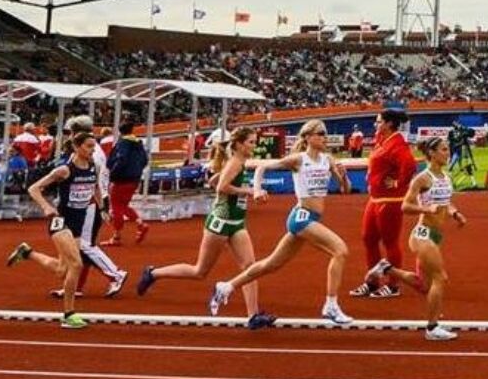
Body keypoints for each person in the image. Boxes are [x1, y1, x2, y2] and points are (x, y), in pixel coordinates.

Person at [207, 120, 354, 325]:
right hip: (301, 217)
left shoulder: (328, 160)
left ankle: (226, 287)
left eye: (325, 134)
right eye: (320, 133)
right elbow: (261, 168)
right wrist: (257, 189)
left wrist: (343, 177)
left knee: (271, 264)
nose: (324, 137)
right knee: (340, 250)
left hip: (311, 218)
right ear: (307, 137)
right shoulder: (298, 159)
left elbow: (345, 190)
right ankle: (331, 305)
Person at [137, 128, 275, 330]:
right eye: (251, 142)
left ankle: (253, 315)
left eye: (255, 142)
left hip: (236, 221)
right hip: (220, 221)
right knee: (200, 271)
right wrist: (250, 191)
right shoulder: (235, 162)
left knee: (250, 268)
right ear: (239, 144)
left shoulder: (237, 162)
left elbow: (213, 182)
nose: (254, 146)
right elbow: (220, 188)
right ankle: (153, 273)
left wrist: (227, 180)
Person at [365, 136, 469, 340]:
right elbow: (405, 206)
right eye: (443, 150)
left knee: (423, 285)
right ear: (431, 154)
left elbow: (446, 203)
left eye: (447, 150)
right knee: (441, 278)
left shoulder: (446, 178)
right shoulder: (423, 178)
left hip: (436, 235)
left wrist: (456, 214)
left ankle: (386, 268)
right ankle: (432, 328)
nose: (447, 153)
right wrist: (425, 208)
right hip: (423, 234)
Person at [7, 130, 104, 329]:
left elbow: (96, 189)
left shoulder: (94, 166)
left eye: (94, 146)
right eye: (88, 146)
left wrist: (103, 209)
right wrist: (46, 206)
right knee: (77, 265)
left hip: (78, 222)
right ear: (77, 147)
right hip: (60, 221)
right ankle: (68, 314)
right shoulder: (65, 170)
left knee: (62, 270)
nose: (92, 150)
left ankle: (27, 252)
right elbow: (33, 188)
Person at [59, 116, 128, 298]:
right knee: (76, 246)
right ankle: (74, 285)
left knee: (84, 245)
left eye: (70, 133)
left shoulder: (90, 151)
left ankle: (116, 274)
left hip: (88, 204)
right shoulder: (90, 148)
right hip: (87, 203)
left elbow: (92, 182)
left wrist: (102, 206)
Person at [352, 108, 416, 298]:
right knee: (368, 238)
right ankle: (372, 281)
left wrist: (398, 183)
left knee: (390, 241)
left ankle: (393, 284)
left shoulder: (397, 144)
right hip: (375, 198)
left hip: (391, 200)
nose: (375, 124)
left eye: (378, 121)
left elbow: (410, 165)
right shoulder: (382, 141)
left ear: (388, 123)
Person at [103, 120, 151, 246]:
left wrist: (113, 173)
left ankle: (117, 236)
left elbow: (120, 159)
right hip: (134, 179)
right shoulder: (138, 143)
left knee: (116, 207)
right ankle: (140, 223)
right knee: (123, 205)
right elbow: (145, 160)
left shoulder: (123, 143)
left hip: (121, 179)